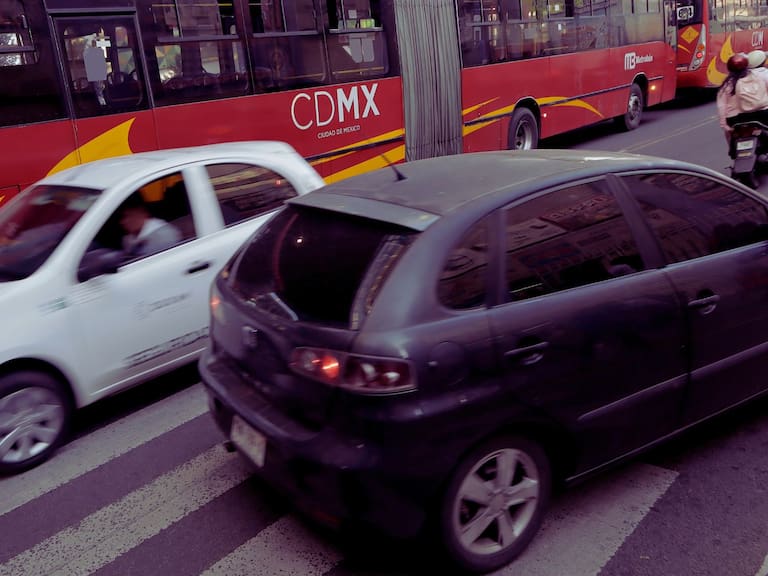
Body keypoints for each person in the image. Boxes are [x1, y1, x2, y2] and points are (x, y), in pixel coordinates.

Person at [716, 52, 768, 142]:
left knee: (730, 135)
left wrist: (724, 126)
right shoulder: (757, 77)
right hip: (759, 115)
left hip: (734, 120)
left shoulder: (727, 85)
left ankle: (732, 150)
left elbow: (721, 106)